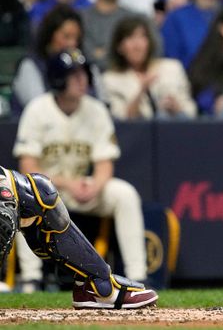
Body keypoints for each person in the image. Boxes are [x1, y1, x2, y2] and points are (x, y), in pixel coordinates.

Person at [13, 49, 150, 288]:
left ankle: (138, 276)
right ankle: (31, 278)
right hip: (48, 190)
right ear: (58, 79)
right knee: (21, 196)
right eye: (73, 75)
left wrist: (94, 185)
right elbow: (28, 167)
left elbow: (105, 163)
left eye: (83, 74)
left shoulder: (96, 110)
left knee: (124, 193)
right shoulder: (37, 109)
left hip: (85, 188)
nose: (81, 80)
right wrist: (67, 184)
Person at [0, 165, 157, 308]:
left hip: (85, 188)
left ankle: (97, 285)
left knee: (30, 193)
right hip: (63, 184)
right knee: (31, 193)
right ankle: (99, 285)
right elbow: (27, 164)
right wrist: (70, 183)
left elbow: (105, 164)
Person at [103, 16, 196, 120]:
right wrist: (141, 91)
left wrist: (177, 108)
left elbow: (191, 110)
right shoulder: (110, 80)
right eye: (130, 38)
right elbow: (121, 118)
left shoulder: (172, 68)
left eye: (142, 37)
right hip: (136, 133)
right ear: (119, 47)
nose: (137, 45)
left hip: (175, 129)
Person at [78, 0, 147, 71]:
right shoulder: (80, 19)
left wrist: (102, 52)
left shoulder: (137, 18)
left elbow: (152, 54)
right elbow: (88, 58)